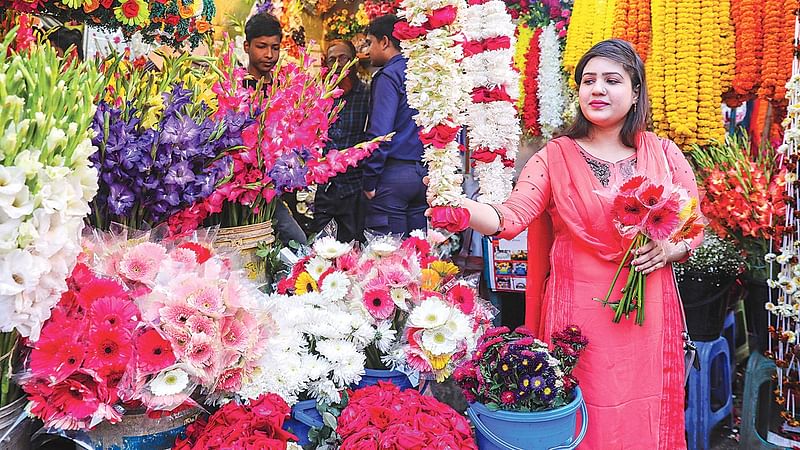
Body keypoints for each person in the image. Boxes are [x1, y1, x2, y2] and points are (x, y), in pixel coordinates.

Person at [445, 40, 700, 448]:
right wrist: (455, 204)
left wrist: (670, 249)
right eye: (588, 81)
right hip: (579, 321)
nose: (597, 89)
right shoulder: (555, 156)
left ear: (636, 93)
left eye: (612, 80)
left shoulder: (665, 153)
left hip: (648, 315)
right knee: (585, 413)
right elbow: (510, 217)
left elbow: (693, 228)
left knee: (643, 411)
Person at [242, 13, 307, 246]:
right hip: (245, 189)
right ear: (246, 46)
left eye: (275, 47)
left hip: (279, 187)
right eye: (261, 47)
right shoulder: (235, 86)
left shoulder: (285, 88)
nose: (269, 55)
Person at [362, 15, 427, 236]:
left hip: (394, 176)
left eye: (370, 42)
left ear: (385, 42)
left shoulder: (388, 76)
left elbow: (381, 135)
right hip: (423, 175)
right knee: (418, 254)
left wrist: (369, 181)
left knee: (391, 258)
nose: (367, 50)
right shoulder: (423, 73)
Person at [311, 40, 370, 242]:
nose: (338, 63)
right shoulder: (320, 97)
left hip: (354, 188)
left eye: (343, 57)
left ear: (354, 61)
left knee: (353, 251)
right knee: (321, 248)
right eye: (332, 59)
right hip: (326, 188)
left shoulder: (368, 95)